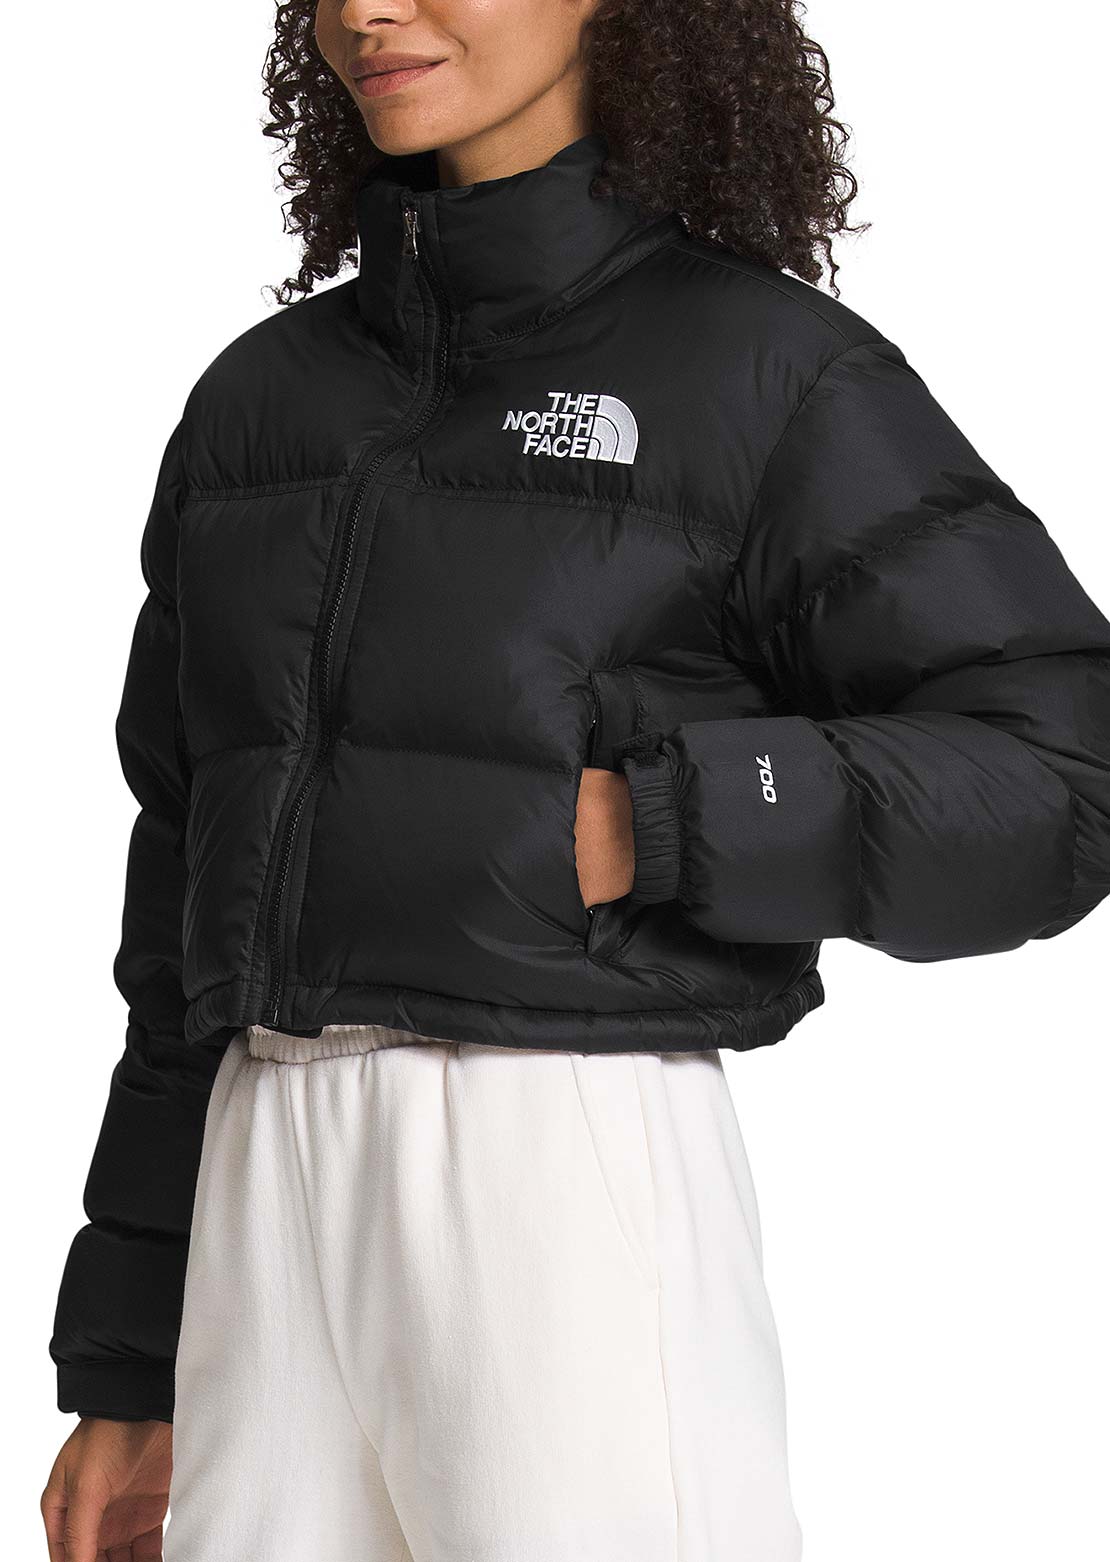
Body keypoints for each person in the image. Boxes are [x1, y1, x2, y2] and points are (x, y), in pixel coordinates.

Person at [41, 0, 1110, 1557]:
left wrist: (669, 819)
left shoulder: (761, 371)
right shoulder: (262, 402)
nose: (366, 10)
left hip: (553, 1154)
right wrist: (131, 1361)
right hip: (259, 1168)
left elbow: (1063, 762)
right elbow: (177, 905)